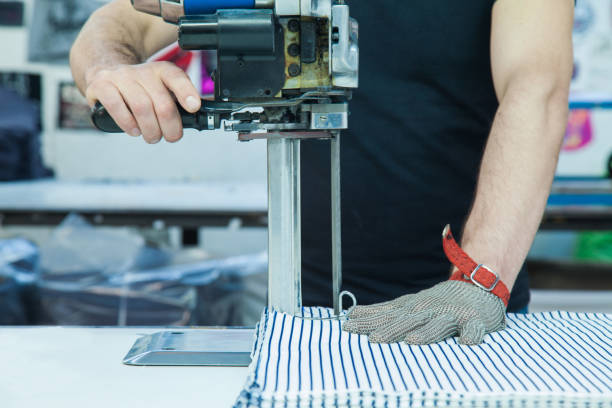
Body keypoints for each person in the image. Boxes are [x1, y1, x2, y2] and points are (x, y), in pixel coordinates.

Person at [70, 0, 574, 344]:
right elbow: (121, 23)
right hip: (304, 308)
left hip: (468, 304)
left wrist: (478, 280)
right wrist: (110, 68)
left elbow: (537, 85)